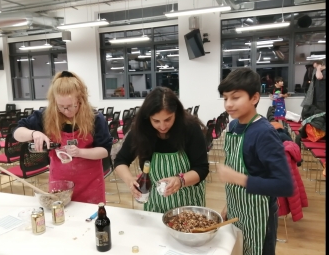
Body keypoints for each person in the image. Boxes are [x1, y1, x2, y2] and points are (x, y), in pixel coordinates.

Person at [216, 68, 293, 255]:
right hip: (237, 210)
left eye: (235, 97)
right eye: (225, 98)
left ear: (254, 98)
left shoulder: (264, 133)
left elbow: (285, 186)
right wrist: (229, 205)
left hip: (260, 216)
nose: (228, 104)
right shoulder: (234, 126)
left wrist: (238, 179)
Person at [13, 71, 112, 204]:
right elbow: (17, 133)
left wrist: (79, 152)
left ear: (81, 100)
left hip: (90, 183)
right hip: (60, 183)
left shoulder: (95, 118)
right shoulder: (47, 115)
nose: (66, 111)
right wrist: (34, 133)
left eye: (71, 106)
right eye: (61, 106)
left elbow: (105, 150)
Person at [114, 87, 209, 213]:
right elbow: (120, 160)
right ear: (148, 118)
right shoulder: (141, 131)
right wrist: (129, 180)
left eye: (168, 119)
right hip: (156, 202)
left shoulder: (190, 129)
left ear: (176, 113)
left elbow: (201, 169)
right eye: (156, 121)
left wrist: (180, 181)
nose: (162, 126)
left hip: (188, 202)